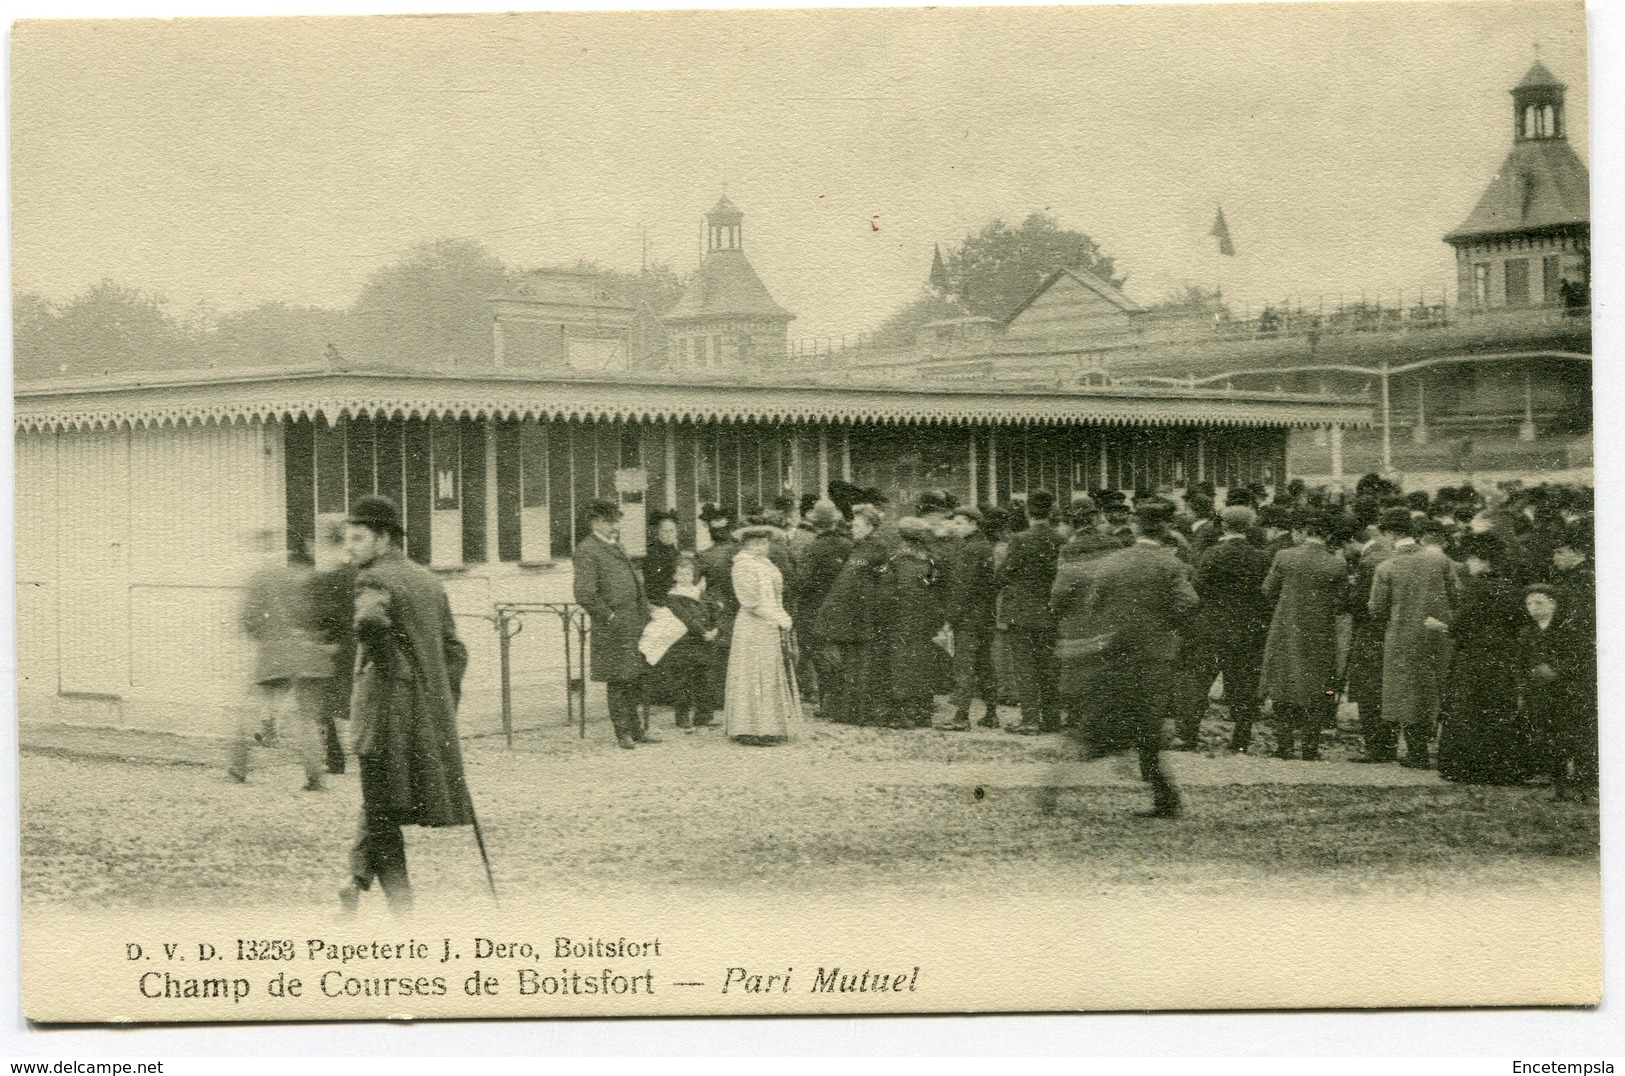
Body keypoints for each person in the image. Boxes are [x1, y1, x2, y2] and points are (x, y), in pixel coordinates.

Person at [339, 496, 474, 914]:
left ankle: (404, 910)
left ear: (383, 539)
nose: (349, 548)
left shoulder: (373, 579)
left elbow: (369, 622)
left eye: (358, 538)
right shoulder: (428, 580)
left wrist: (393, 671)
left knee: (380, 809)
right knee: (381, 800)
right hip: (424, 717)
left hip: (383, 715)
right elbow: (456, 651)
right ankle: (356, 878)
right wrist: (438, 699)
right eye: (347, 539)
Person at [1063, 501, 1198, 819]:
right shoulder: (1170, 565)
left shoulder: (1113, 562)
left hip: (1116, 653)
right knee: (1150, 721)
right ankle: (1164, 796)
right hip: (1156, 656)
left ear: (1137, 527)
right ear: (1165, 529)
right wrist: (1163, 625)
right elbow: (1189, 603)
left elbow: (1093, 605)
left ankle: (1061, 783)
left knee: (1109, 715)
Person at [231, 533, 329, 791]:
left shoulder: (261, 578)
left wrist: (266, 637)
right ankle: (316, 776)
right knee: (306, 718)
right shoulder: (311, 578)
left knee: (250, 709)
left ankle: (238, 768)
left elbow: (249, 619)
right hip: (308, 654)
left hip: (274, 653)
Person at [1436, 534, 1534, 785]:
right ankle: (1503, 766)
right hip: (1503, 657)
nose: (1469, 565)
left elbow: (1458, 625)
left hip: (1474, 656)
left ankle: (1466, 766)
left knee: (1468, 711)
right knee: (1500, 710)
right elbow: (1523, 621)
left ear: (1481, 561)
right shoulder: (1512, 589)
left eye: (1471, 559)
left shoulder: (1475, 589)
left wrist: (1441, 626)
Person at [1176, 505, 1273, 754]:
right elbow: (1266, 595)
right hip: (1249, 630)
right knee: (1244, 686)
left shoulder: (1211, 555)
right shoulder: (1261, 557)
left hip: (1212, 628)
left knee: (1198, 682)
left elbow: (1196, 589)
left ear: (1224, 526)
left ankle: (1187, 735)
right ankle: (1240, 739)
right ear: (1250, 527)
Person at [1369, 507, 1460, 769]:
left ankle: (1417, 752)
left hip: (1402, 638)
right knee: (1435, 688)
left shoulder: (1387, 566)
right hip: (1437, 635)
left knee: (1406, 693)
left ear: (1389, 533)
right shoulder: (1440, 561)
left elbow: (1377, 609)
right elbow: (1456, 596)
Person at [1260, 510, 1348, 761]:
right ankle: (1310, 748)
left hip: (1285, 630)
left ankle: (1284, 746)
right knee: (1319, 689)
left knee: (1283, 684)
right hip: (1321, 634)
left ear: (1305, 532)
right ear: (1328, 535)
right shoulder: (1336, 564)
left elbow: (1268, 590)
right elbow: (1342, 604)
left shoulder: (1284, 556)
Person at [573, 498, 658, 750]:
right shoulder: (587, 550)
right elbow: (585, 593)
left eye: (616, 522)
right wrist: (609, 616)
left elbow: (634, 581)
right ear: (595, 522)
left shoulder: (616, 546)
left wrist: (646, 609)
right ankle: (623, 733)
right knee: (619, 679)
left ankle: (637, 730)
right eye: (609, 522)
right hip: (612, 625)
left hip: (633, 621)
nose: (615, 527)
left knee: (634, 677)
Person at [724, 524, 800, 743]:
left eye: (764, 542)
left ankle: (768, 726)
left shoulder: (765, 563)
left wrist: (780, 615)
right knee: (752, 673)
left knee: (767, 673)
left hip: (768, 626)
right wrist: (781, 619)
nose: (760, 546)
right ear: (745, 544)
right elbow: (751, 602)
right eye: (755, 542)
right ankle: (748, 728)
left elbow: (774, 596)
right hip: (753, 625)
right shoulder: (742, 565)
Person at [1521, 584, 1595, 803]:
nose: (1533, 608)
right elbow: (1521, 663)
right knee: (1548, 738)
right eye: (1529, 603)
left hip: (1569, 692)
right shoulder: (1528, 633)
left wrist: (1558, 671)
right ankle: (1559, 784)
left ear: (1553, 604)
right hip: (1540, 694)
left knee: (1578, 738)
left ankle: (1587, 785)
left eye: (1539, 603)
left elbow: (1582, 658)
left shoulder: (1569, 629)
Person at [815, 505, 888, 725]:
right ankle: (847, 710)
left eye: (857, 526)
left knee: (859, 664)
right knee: (850, 664)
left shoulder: (873, 549)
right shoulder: (860, 548)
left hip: (862, 615)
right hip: (853, 615)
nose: (852, 529)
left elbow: (856, 581)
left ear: (870, 527)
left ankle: (857, 712)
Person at [1000, 490, 1066, 735]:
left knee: (1025, 667)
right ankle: (1051, 718)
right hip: (1049, 612)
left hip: (1022, 612)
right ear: (1051, 512)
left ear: (1028, 512)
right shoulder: (1060, 540)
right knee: (1049, 666)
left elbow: (1004, 573)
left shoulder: (1019, 540)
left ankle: (1029, 719)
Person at [1345, 507, 1405, 762]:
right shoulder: (1393, 555)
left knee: (1368, 690)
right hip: (1393, 631)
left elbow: (1359, 603)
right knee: (1387, 687)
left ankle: (1376, 746)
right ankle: (1390, 743)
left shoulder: (1369, 562)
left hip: (1370, 631)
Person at [880, 516, 949, 729]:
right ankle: (924, 712)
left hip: (900, 617)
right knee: (924, 661)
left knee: (901, 663)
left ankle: (904, 714)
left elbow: (886, 590)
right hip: (926, 618)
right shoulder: (932, 558)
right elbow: (941, 587)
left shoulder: (894, 558)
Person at [305, 519, 357, 776]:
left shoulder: (326, 576)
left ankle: (334, 757)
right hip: (357, 644)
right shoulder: (355, 571)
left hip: (334, 646)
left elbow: (321, 614)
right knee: (356, 700)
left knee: (325, 704)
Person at [643, 554, 720, 732]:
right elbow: (686, 618)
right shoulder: (673, 597)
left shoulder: (700, 593)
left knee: (705, 678)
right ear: (675, 576)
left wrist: (715, 628)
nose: (685, 577)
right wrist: (703, 632)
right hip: (685, 643)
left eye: (688, 574)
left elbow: (713, 611)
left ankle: (704, 715)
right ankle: (683, 716)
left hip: (704, 642)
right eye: (681, 574)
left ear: (694, 575)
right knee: (682, 680)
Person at [792, 500, 853, 717]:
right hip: (843, 608)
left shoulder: (814, 548)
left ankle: (827, 705)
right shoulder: (849, 545)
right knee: (841, 655)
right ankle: (844, 702)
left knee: (819, 656)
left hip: (814, 609)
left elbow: (803, 581)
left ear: (815, 522)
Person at [945, 506, 999, 731]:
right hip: (986, 615)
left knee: (964, 665)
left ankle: (961, 716)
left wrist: (951, 617)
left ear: (973, 524)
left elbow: (961, 588)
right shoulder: (986, 546)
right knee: (985, 664)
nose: (955, 528)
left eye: (959, 523)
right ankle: (992, 714)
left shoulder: (969, 550)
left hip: (968, 616)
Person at [642, 510, 681, 606]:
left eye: (672, 531)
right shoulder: (654, 555)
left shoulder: (675, 552)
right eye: (665, 531)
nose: (669, 535)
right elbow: (653, 586)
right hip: (662, 602)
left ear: (676, 532)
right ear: (658, 532)